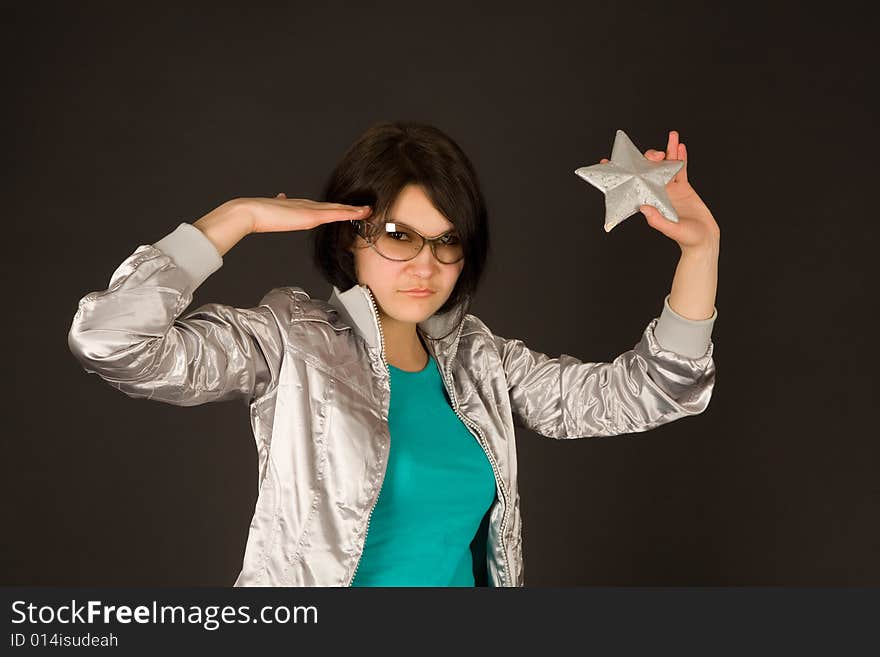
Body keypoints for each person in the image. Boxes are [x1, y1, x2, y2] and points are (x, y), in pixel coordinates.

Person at [67, 121, 720, 587]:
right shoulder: (293, 341)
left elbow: (652, 390)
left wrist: (700, 249)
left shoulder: (477, 361)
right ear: (350, 237)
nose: (425, 265)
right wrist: (234, 218)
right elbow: (114, 340)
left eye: (446, 241)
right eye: (398, 236)